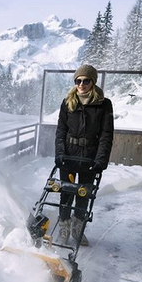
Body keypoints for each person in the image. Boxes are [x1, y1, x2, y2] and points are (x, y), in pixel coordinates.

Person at [55, 65, 114, 246]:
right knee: (66, 192)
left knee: (84, 193)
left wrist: (100, 161)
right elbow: (60, 131)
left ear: (93, 82)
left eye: (86, 80)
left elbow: (106, 135)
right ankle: (64, 227)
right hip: (69, 156)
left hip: (90, 157)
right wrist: (59, 154)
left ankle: (77, 227)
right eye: (78, 80)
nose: (81, 84)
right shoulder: (67, 102)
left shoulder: (103, 104)